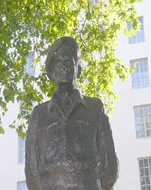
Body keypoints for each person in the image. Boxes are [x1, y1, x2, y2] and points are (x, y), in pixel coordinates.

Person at [25, 37, 118, 190]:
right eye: (58, 62)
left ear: (78, 69)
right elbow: (31, 170)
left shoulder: (95, 108)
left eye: (69, 62)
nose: (64, 67)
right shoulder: (39, 114)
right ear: (52, 71)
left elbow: (110, 164)